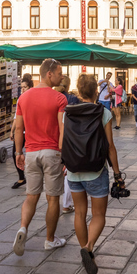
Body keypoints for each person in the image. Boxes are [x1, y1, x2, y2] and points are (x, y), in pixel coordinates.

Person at [64, 74, 121, 274]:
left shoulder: (67, 113)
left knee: (79, 213)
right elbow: (110, 147)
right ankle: (88, 248)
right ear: (96, 92)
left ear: (79, 93)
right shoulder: (103, 113)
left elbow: (64, 141)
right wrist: (117, 172)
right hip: (96, 171)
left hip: (73, 170)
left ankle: (85, 249)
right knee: (98, 216)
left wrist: (65, 162)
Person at [13, 58, 68, 256]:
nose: (62, 76)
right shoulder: (59, 98)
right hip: (52, 152)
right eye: (60, 72)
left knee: (31, 196)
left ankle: (22, 228)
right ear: (49, 74)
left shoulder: (24, 98)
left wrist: (19, 152)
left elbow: (19, 128)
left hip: (31, 152)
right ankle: (50, 240)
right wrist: (64, 156)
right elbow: (63, 129)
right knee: (53, 199)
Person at [54, 75, 79, 213]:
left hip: (52, 139)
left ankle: (54, 202)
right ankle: (66, 203)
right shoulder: (72, 99)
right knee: (69, 171)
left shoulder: (51, 97)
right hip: (67, 139)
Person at [11, 77, 33, 189]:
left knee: (30, 155)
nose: (23, 89)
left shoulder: (33, 99)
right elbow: (16, 117)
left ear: (30, 87)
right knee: (15, 153)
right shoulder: (20, 99)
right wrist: (12, 131)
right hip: (21, 131)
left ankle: (31, 177)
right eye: (22, 87)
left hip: (30, 130)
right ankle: (21, 177)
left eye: (25, 87)